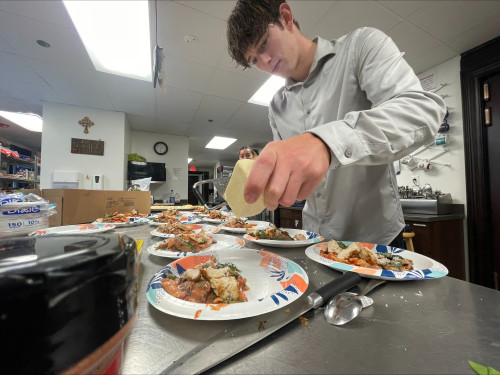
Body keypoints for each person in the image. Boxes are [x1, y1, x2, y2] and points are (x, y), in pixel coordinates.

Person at [226, 0, 446, 247]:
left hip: (377, 240)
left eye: (264, 43)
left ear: (286, 17)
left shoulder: (361, 46)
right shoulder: (276, 105)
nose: (265, 61)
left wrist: (325, 143)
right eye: (254, 59)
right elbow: (294, 174)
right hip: (315, 240)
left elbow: (423, 112)